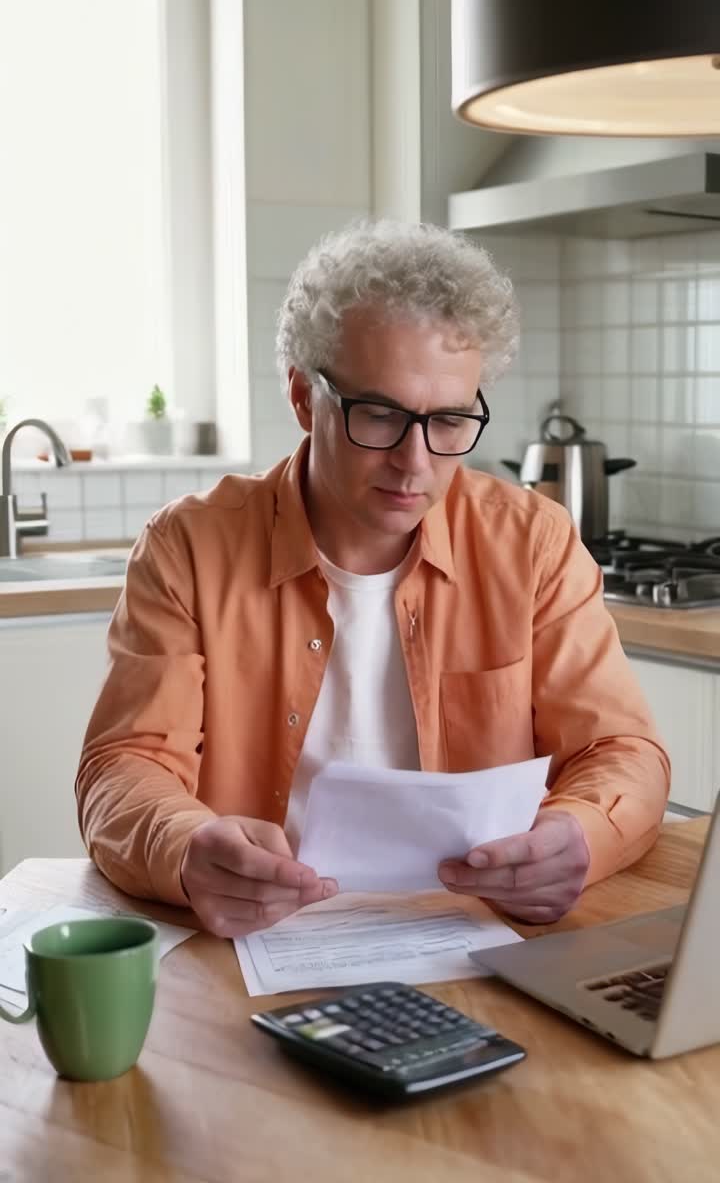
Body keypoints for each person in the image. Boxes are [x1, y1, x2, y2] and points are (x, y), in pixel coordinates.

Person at [76, 219, 670, 940]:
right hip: (257, 942)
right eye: (381, 415)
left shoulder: (532, 544)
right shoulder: (189, 547)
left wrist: (578, 835)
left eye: (450, 420)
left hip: (473, 939)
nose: (415, 461)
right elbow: (124, 766)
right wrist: (185, 849)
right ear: (303, 397)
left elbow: (623, 753)